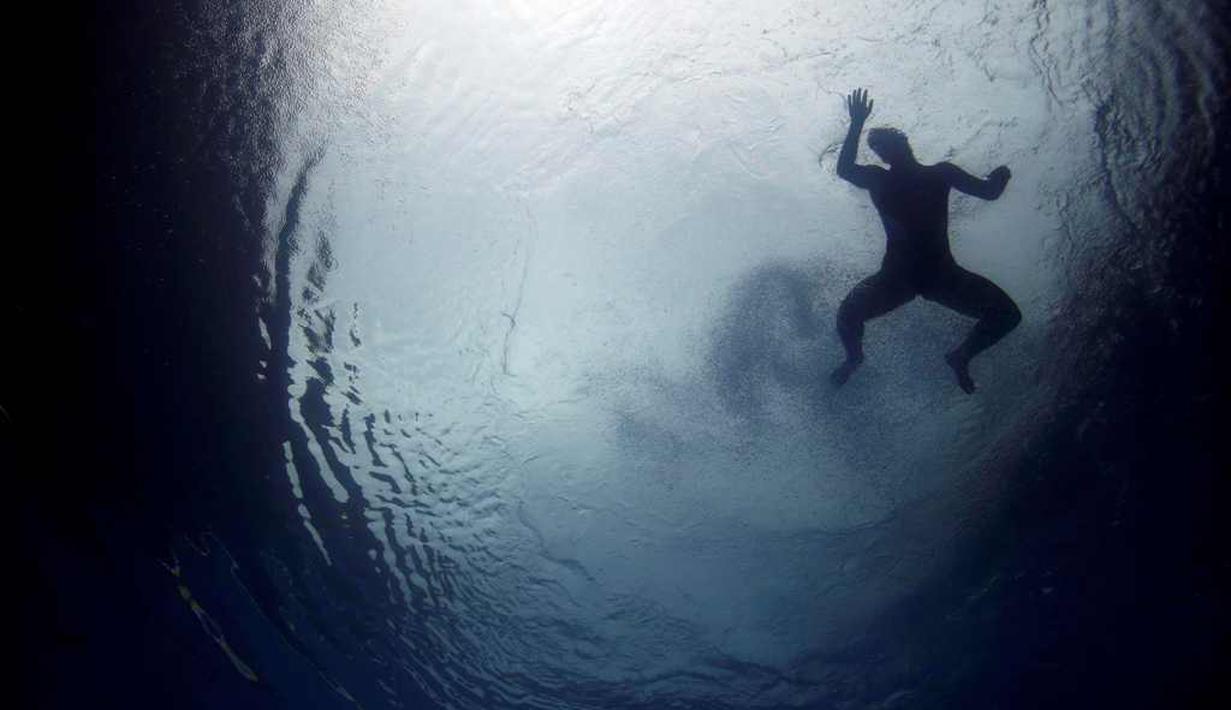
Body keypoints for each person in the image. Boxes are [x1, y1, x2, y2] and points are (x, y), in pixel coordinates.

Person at [829, 88, 1021, 393]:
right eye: (879, 149)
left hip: (941, 275)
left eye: (884, 145)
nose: (883, 152)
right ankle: (854, 358)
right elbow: (845, 169)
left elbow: (988, 192)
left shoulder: (940, 174)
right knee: (847, 313)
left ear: (903, 142)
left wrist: (1001, 177)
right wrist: (856, 123)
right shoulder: (881, 179)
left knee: (1008, 315)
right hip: (896, 278)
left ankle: (961, 356)